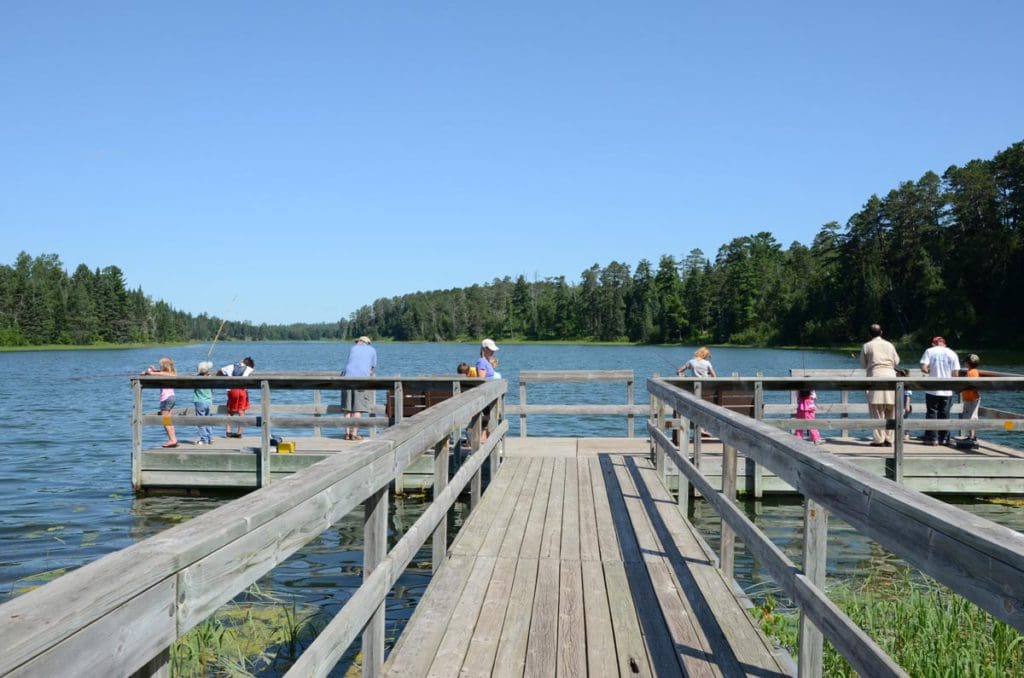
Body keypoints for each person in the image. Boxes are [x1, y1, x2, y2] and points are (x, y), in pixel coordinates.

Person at [859, 324, 900, 447]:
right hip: (891, 379)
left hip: (875, 378)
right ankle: (889, 439)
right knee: (891, 410)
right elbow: (896, 361)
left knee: (876, 411)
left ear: (869, 334)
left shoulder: (867, 346)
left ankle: (879, 440)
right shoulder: (890, 345)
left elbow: (863, 364)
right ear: (881, 332)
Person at [919, 336, 960, 446]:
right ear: (944, 343)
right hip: (947, 390)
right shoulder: (952, 353)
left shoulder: (929, 351)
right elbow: (955, 374)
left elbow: (923, 368)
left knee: (932, 413)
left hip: (932, 389)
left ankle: (933, 439)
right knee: (945, 414)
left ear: (934, 343)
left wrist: (929, 371)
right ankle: (944, 439)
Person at [342, 336, 377, 441]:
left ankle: (347, 434)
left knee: (347, 409)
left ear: (360, 342)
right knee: (358, 408)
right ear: (368, 343)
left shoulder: (353, 348)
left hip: (346, 379)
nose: (357, 343)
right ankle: (354, 434)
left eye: (358, 341)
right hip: (361, 380)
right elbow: (371, 369)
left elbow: (348, 364)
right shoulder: (372, 350)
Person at [143, 357, 178, 448]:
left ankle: (172, 440)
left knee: (165, 421)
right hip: (170, 398)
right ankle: (173, 439)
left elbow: (159, 373)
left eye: (161, 366)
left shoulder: (167, 374)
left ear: (164, 366)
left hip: (166, 399)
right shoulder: (171, 373)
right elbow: (160, 373)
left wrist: (150, 372)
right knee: (168, 420)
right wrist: (154, 371)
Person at [217, 357, 255, 438]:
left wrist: (219, 376)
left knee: (230, 411)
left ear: (242, 361)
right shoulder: (249, 368)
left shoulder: (231, 366)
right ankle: (239, 433)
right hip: (242, 390)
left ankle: (228, 431)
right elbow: (253, 370)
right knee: (241, 412)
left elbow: (220, 370)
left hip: (232, 390)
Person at [960, 353, 982, 441]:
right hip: (969, 398)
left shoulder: (972, 372)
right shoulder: (972, 371)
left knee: (971, 417)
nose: (964, 363)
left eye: (965, 362)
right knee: (969, 416)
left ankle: (972, 437)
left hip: (972, 398)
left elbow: (973, 386)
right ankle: (971, 436)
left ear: (967, 363)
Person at [193, 361, 214, 445]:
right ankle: (211, 438)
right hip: (209, 401)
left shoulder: (196, 379)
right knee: (208, 419)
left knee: (200, 421)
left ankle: (204, 439)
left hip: (199, 401)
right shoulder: (211, 377)